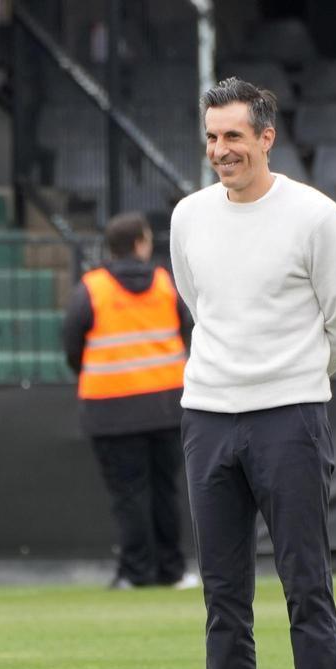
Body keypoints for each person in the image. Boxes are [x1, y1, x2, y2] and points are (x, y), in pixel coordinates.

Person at [169, 77, 336, 669]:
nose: (221, 149)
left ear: (266, 138)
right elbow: (200, 304)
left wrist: (291, 376)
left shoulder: (317, 217)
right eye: (211, 137)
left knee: (307, 586)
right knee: (222, 594)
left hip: (290, 419)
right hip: (206, 418)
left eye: (233, 135)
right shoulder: (188, 216)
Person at [61, 211, 196, 590]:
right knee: (165, 491)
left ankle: (137, 573)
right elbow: (187, 332)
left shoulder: (92, 288)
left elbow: (72, 344)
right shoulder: (165, 283)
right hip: (167, 405)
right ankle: (172, 570)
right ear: (140, 243)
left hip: (110, 409)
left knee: (129, 495)